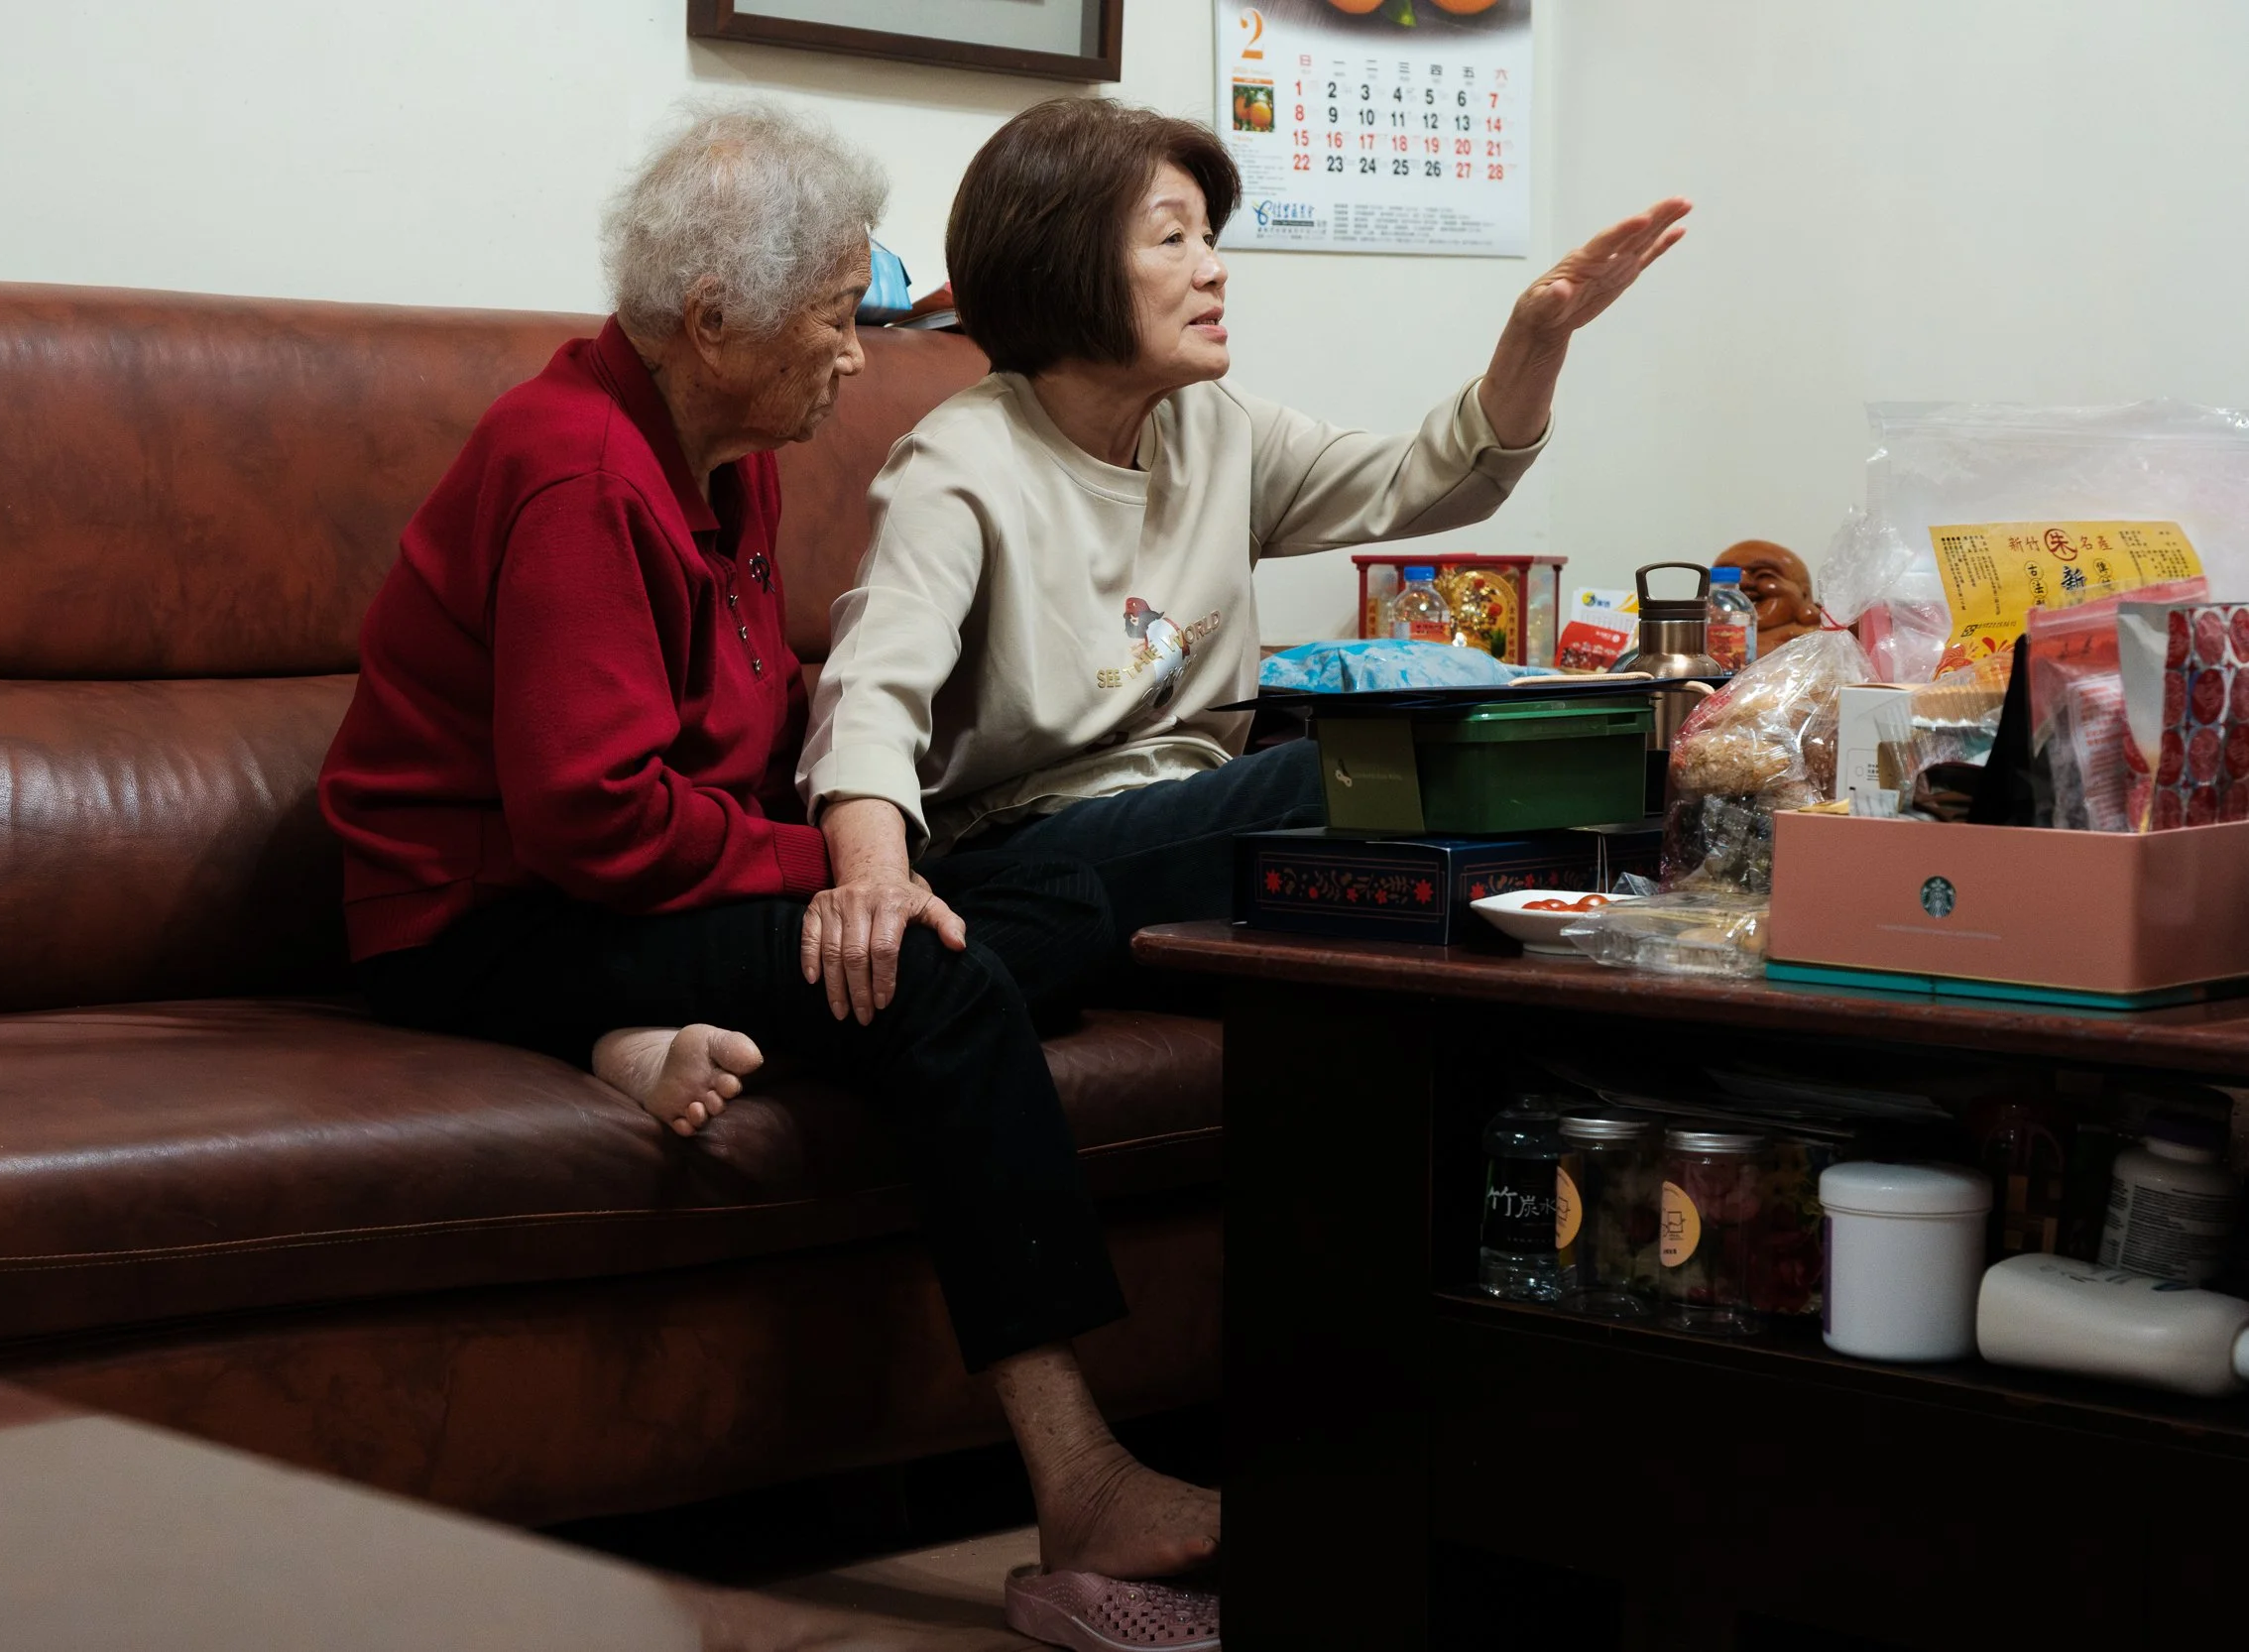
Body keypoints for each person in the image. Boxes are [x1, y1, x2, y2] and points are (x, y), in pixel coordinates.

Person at [316, 104, 1217, 1588]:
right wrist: (838, 881)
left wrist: (872, 852)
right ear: (714, 317)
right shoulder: (577, 468)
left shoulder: (728, 449)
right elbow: (590, 816)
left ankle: (643, 1033)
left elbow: (751, 731)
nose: (857, 354)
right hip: (481, 918)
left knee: (1041, 891)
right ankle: (1082, 1473)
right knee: (928, 977)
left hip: (639, 886)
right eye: (827, 319)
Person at [800, 97, 1687, 993]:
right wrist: (876, 883)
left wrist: (1537, 342)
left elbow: (1432, 478)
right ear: (1064, 264)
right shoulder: (961, 461)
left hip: (1195, 808)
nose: (1216, 270)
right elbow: (870, 694)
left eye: (1209, 238)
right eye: (1172, 240)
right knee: (1356, 771)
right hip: (1025, 838)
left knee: (1540, 755)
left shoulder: (1213, 428)